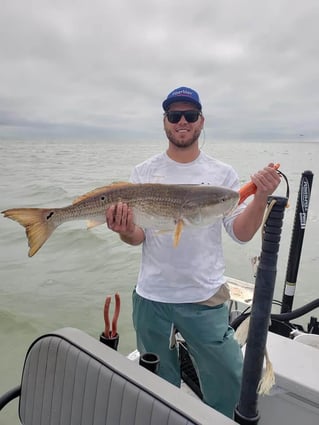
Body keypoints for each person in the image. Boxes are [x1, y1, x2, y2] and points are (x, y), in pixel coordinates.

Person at [106, 86, 281, 418]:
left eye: (189, 115)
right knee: (155, 390)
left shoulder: (222, 175)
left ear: (201, 121)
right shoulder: (143, 174)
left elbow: (241, 233)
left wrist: (259, 197)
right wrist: (125, 229)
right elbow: (137, 237)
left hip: (205, 298)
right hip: (152, 299)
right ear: (165, 122)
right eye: (174, 116)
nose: (182, 122)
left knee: (230, 381)